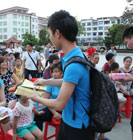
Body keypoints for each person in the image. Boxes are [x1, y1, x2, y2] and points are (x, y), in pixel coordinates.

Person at [29, 10, 95, 140]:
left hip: (77, 127)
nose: (50, 38)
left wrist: (37, 98)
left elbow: (59, 104)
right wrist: (46, 81)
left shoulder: (74, 65)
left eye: (50, 34)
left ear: (57, 33)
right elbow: (68, 82)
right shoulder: (77, 56)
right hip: (70, 120)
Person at [34, 61, 62, 131]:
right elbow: (46, 100)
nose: (54, 74)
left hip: (64, 109)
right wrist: (54, 113)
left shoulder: (67, 83)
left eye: (56, 72)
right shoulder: (50, 81)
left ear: (62, 73)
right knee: (38, 115)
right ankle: (39, 137)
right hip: (51, 108)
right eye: (53, 72)